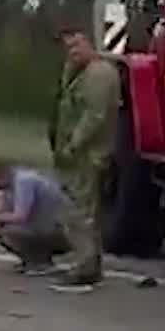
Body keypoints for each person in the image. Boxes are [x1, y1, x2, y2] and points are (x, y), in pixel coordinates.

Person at [47, 25, 123, 292]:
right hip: (76, 153)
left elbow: (94, 116)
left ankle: (85, 266)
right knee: (82, 209)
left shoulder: (99, 75)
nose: (72, 52)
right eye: (68, 48)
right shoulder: (79, 72)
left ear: (91, 44)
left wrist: (73, 145)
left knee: (80, 212)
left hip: (87, 153)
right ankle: (89, 262)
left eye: (77, 46)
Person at [0, 159, 70, 274]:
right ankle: (32, 260)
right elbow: (4, 213)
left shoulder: (23, 181)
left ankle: (41, 264)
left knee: (10, 232)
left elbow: (20, 216)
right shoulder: (10, 186)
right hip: (44, 226)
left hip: (64, 230)